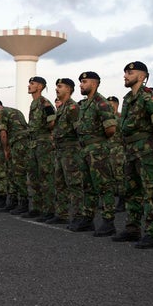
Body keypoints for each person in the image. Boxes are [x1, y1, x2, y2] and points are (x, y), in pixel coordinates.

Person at [113, 62, 153, 248]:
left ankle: (152, 233)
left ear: (143, 76)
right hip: (131, 150)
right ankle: (132, 229)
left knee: (151, 192)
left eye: (130, 72)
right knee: (132, 191)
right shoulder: (128, 98)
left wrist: (147, 138)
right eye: (125, 72)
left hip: (147, 150)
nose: (126, 75)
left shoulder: (149, 96)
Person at [74, 71, 118, 235]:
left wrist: (97, 142)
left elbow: (111, 129)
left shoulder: (102, 103)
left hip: (97, 150)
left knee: (104, 186)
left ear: (94, 83)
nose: (81, 85)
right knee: (88, 186)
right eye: (81, 82)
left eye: (84, 82)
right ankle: (88, 219)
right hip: (85, 149)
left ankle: (108, 222)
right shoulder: (85, 104)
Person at [47, 78, 83, 225]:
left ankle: (79, 216)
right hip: (60, 150)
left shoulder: (73, 108)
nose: (57, 89)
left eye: (60, 86)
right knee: (60, 183)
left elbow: (79, 130)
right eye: (56, 86)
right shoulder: (61, 108)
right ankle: (62, 213)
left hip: (71, 150)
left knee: (74, 184)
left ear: (68, 89)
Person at [25, 77, 56, 218]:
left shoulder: (45, 103)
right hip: (33, 144)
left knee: (45, 176)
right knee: (33, 177)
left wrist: (44, 133)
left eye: (32, 84)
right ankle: (37, 207)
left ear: (40, 86)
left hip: (43, 144)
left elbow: (52, 122)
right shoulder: (34, 103)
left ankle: (48, 209)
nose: (29, 86)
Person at [106, 96, 127, 213]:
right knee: (110, 177)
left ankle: (122, 201)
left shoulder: (120, 118)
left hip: (118, 150)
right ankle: (111, 203)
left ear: (116, 105)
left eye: (112, 104)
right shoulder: (107, 118)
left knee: (119, 177)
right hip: (107, 150)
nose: (109, 106)